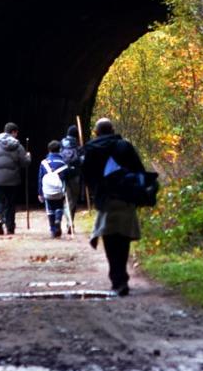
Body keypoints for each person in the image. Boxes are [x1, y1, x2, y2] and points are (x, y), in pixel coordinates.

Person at [80, 117, 144, 296]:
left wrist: (95, 190)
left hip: (105, 200)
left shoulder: (91, 149)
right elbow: (139, 170)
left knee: (109, 239)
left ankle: (117, 279)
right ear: (112, 129)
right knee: (123, 239)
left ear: (96, 132)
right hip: (125, 198)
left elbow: (86, 176)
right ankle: (121, 278)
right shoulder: (124, 146)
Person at [0, 122, 30, 236]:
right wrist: (28, 157)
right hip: (13, 180)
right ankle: (10, 228)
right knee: (10, 203)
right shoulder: (18, 146)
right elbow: (24, 163)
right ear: (14, 132)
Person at [37, 140, 69, 238]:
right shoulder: (64, 163)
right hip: (59, 191)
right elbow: (66, 178)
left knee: (50, 209)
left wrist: (40, 193)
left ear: (49, 150)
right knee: (59, 206)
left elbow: (40, 179)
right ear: (60, 150)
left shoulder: (44, 163)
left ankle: (53, 230)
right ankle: (58, 219)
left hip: (47, 191)